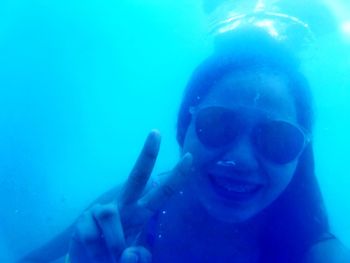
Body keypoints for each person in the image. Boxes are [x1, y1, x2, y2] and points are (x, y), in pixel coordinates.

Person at [19, 28, 350, 263]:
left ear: (300, 154)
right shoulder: (127, 213)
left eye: (278, 139)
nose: (241, 159)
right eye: (218, 125)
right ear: (184, 129)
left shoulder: (316, 254)